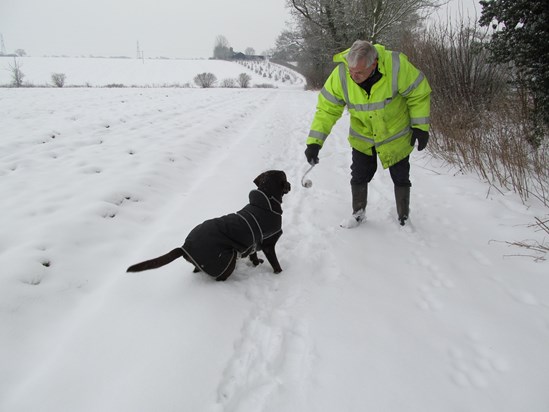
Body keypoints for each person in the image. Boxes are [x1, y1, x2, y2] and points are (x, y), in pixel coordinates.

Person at [304, 40, 431, 227]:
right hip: (363, 135)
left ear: (374, 64)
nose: (354, 76)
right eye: (351, 71)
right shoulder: (341, 74)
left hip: (394, 134)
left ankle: (403, 215)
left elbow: (418, 93)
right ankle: (358, 213)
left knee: (401, 176)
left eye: (359, 73)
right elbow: (327, 110)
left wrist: (420, 126)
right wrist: (315, 142)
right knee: (359, 175)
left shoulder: (396, 66)